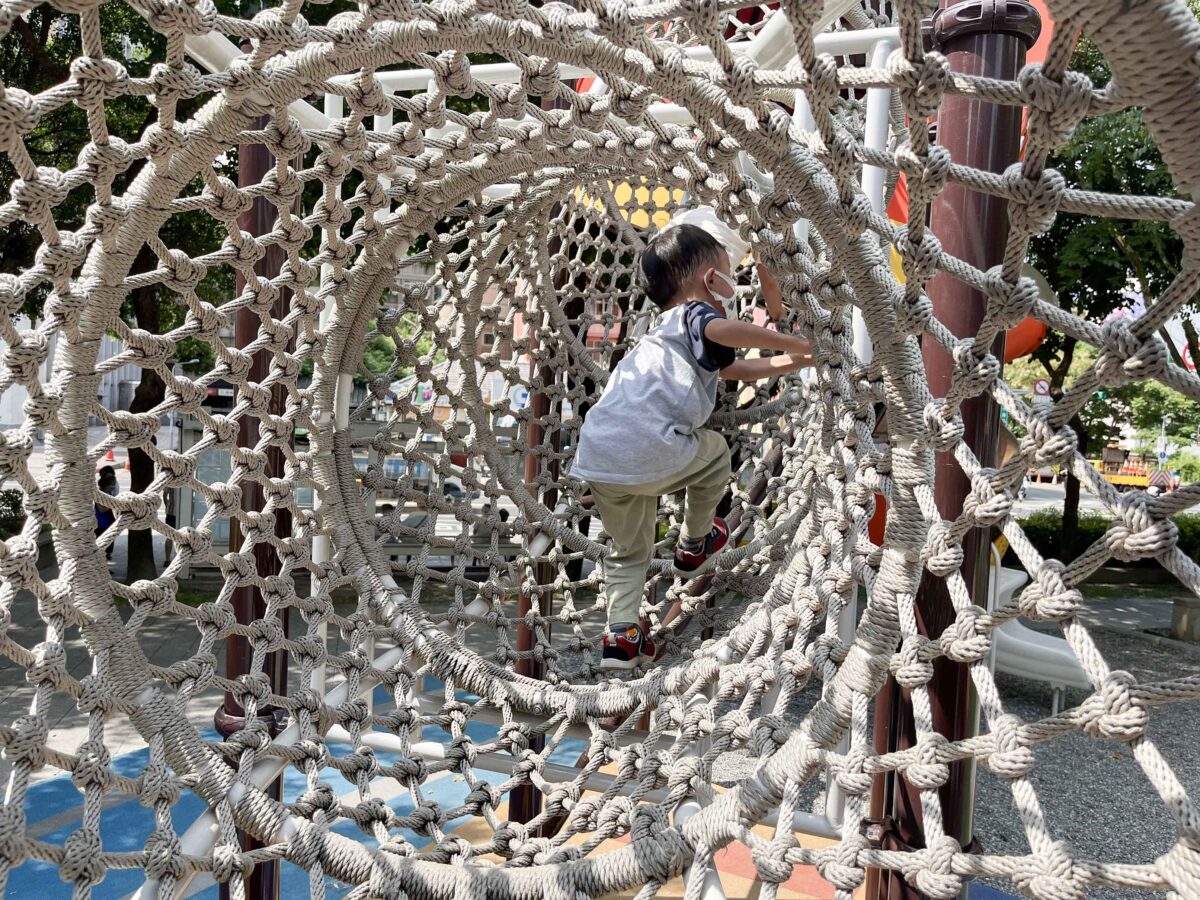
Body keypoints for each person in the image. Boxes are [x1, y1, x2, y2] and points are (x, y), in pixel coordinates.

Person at [571, 223, 811, 670]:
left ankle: (620, 640)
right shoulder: (694, 316)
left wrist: (797, 360)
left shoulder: (663, 335)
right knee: (716, 453)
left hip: (601, 458)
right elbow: (731, 331)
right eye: (727, 274)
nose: (732, 285)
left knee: (628, 553)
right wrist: (800, 341)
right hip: (648, 448)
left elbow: (738, 369)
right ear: (710, 281)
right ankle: (694, 542)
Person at [95, 465, 118, 559]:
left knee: (107, 547)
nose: (113, 487)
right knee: (101, 547)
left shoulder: (109, 494)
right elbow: (101, 509)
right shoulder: (99, 494)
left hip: (108, 522)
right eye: (112, 485)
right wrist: (114, 504)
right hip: (100, 523)